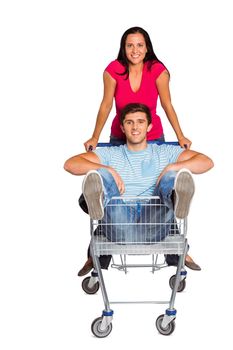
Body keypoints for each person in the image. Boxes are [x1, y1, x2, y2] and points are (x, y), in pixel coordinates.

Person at [64, 103, 214, 274]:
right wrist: (108, 169)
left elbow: (207, 161)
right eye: (129, 122)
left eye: (140, 122)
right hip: (119, 223)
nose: (135, 127)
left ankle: (177, 198)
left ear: (149, 126)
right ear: (122, 127)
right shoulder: (110, 154)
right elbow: (70, 164)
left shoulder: (165, 152)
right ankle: (98, 200)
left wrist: (173, 166)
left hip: (155, 225)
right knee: (100, 175)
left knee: (172, 176)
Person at [84, 26, 191, 151]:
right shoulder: (114, 69)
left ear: (147, 48)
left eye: (140, 45)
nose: (135, 50)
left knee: (154, 170)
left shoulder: (158, 70)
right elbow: (106, 105)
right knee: (116, 170)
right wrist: (94, 138)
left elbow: (167, 105)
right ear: (124, 48)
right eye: (130, 45)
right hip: (120, 138)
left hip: (152, 138)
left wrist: (181, 136)